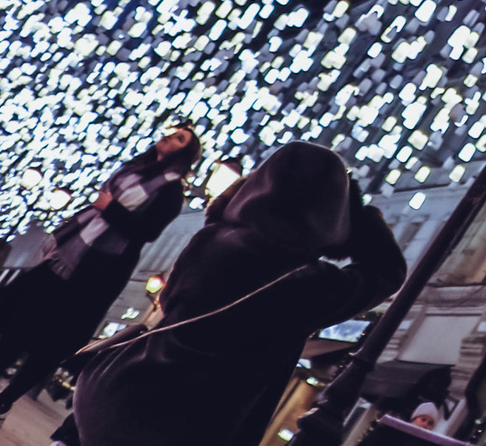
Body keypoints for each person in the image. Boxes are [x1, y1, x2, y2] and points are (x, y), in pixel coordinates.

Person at [70, 141, 407, 446]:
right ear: (329, 213)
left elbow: (170, 301)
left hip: (118, 393)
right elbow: (386, 271)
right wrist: (360, 217)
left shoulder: (211, 240)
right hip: (183, 425)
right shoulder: (304, 283)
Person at [0, 126, 202, 426]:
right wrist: (65, 235)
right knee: (20, 317)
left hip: (100, 270)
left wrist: (111, 209)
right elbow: (94, 209)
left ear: (185, 154)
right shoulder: (132, 170)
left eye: (180, 139)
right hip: (71, 254)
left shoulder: (171, 192)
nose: (170, 136)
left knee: (54, 339)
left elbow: (146, 232)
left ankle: (4, 401)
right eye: (172, 132)